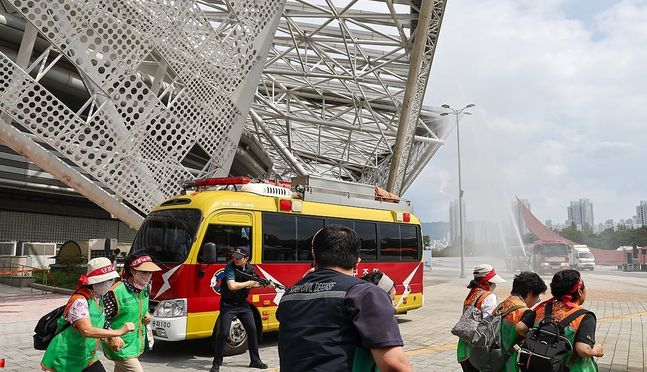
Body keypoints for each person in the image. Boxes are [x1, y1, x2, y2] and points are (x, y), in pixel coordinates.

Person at [276, 225, 412, 372]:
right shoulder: (364, 293)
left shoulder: (288, 295)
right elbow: (394, 365)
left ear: (314, 256)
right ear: (357, 262)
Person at [41, 257, 135, 372]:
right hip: (66, 358)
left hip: (87, 356)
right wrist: (119, 331)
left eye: (111, 280)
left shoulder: (98, 297)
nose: (109, 284)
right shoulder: (80, 301)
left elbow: (99, 322)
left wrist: (111, 336)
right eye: (105, 280)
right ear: (94, 282)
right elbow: (87, 331)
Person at [516, 269, 603, 371]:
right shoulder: (585, 316)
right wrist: (595, 351)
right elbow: (583, 350)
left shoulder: (543, 307)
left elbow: (520, 327)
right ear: (579, 292)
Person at [210, 246, 269, 372]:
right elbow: (232, 286)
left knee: (253, 330)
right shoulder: (230, 267)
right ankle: (216, 363)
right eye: (234, 257)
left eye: (238, 258)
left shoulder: (250, 269)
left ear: (246, 259)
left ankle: (255, 360)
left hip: (243, 304)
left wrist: (265, 284)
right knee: (223, 333)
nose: (235, 259)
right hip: (228, 305)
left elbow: (255, 283)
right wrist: (249, 284)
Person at [102, 253, 161, 372]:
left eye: (150, 273)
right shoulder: (116, 292)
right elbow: (101, 318)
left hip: (135, 343)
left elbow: (141, 309)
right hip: (120, 345)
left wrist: (146, 315)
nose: (148, 276)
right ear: (133, 271)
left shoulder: (144, 289)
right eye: (144, 272)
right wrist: (113, 335)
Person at [457, 264, 506, 372]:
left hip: (464, 349)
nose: (495, 284)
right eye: (493, 282)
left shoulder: (472, 293)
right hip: (478, 351)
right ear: (486, 282)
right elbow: (489, 325)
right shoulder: (489, 297)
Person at [497, 271, 547, 372]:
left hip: (496, 361)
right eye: (537, 297)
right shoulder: (524, 313)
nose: (537, 301)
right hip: (511, 365)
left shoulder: (503, 304)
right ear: (530, 293)